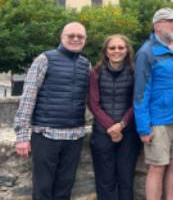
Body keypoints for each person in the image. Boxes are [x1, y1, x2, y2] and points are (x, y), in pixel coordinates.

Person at [14, 22, 91, 200]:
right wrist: (22, 136)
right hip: (46, 135)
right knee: (43, 189)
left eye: (80, 36)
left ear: (85, 40)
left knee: (65, 189)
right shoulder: (44, 59)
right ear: (61, 37)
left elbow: (88, 99)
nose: (75, 39)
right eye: (71, 35)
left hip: (74, 136)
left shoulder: (85, 64)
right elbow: (28, 97)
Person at [134, 8, 173, 200]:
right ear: (158, 25)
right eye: (171, 21)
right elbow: (141, 92)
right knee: (157, 167)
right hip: (160, 121)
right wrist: (144, 128)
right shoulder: (147, 53)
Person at [88, 34, 141, 200]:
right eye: (112, 48)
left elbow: (137, 102)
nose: (116, 51)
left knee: (126, 179)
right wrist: (111, 126)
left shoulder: (135, 72)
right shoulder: (95, 73)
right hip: (102, 133)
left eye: (121, 47)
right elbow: (93, 104)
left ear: (127, 50)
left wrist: (121, 125)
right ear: (105, 51)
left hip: (129, 133)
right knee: (105, 180)